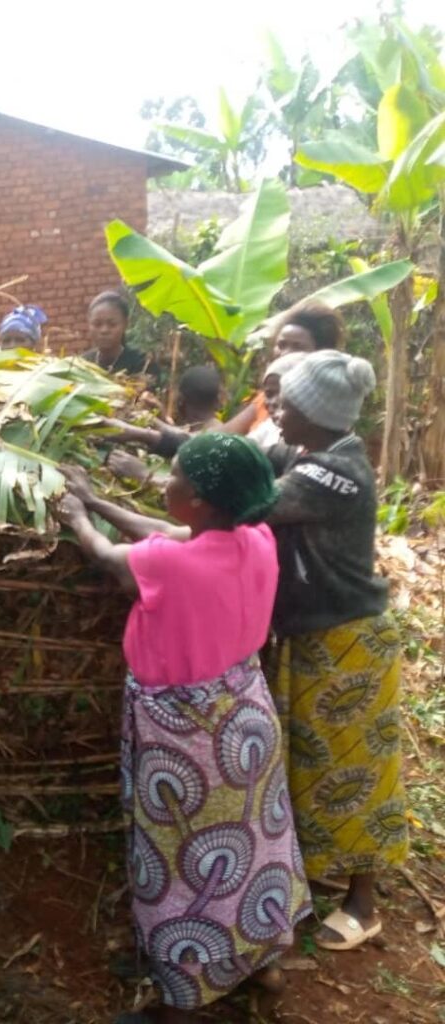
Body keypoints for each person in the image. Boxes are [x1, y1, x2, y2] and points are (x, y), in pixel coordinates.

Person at [58, 434, 310, 1023]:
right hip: (246, 715)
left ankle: (180, 998)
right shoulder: (256, 538)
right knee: (256, 843)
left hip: (185, 734)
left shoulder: (170, 565)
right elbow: (169, 533)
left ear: (196, 499)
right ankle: (263, 959)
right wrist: (99, 500)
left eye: (172, 477)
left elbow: (108, 556)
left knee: (182, 857)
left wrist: (77, 517)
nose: (163, 482)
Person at [267, 351, 407, 951]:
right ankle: (317, 871)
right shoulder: (303, 451)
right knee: (308, 759)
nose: (274, 408)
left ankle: (363, 902)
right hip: (311, 633)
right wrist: (154, 436)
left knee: (358, 769)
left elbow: (249, 501)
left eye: (285, 403)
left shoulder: (333, 473)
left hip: (348, 637)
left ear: (315, 415)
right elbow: (248, 460)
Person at [224, 302, 345, 438]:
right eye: (281, 345)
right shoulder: (267, 396)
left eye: (297, 347)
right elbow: (224, 434)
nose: (285, 353)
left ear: (319, 354)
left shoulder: (325, 405)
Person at [83, 291, 156, 382]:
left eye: (112, 324)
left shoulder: (142, 363)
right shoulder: (82, 365)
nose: (104, 330)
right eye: (97, 324)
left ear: (125, 324)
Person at [247, 352, 306, 450]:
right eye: (269, 394)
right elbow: (244, 447)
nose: (274, 402)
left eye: (284, 393)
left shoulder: (313, 440)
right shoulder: (269, 427)